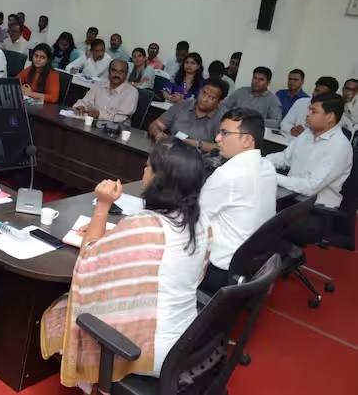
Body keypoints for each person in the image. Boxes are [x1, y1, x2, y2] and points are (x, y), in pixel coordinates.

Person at [41, 139, 211, 392]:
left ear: (160, 179)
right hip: (186, 339)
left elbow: (88, 257)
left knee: (59, 312)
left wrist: (102, 205)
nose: (144, 169)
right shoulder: (201, 223)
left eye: (148, 166)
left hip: (146, 352)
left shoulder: (145, 226)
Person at [198, 108, 277, 293]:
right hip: (246, 266)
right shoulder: (267, 167)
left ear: (247, 140)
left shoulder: (228, 174)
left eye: (225, 133)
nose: (217, 138)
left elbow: (194, 218)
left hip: (216, 271)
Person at [266, 93, 353, 209]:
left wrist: (272, 176)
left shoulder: (339, 146)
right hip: (291, 198)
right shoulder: (308, 133)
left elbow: (310, 187)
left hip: (317, 209)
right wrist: (261, 162)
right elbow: (285, 157)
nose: (307, 114)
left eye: (314, 111)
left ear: (330, 117)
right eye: (309, 109)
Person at [149, 78, 229, 153]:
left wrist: (198, 144)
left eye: (211, 98)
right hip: (170, 152)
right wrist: (158, 134)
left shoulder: (222, 119)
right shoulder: (182, 105)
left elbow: (223, 148)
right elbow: (155, 125)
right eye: (203, 93)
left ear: (219, 102)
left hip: (198, 159)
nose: (204, 99)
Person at [73, 59, 138, 123]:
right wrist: (81, 106)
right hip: (92, 123)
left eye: (121, 72)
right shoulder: (99, 84)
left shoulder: (131, 92)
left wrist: (99, 114)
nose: (117, 74)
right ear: (109, 71)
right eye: (114, 70)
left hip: (117, 127)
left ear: (126, 74)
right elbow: (85, 101)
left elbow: (122, 117)